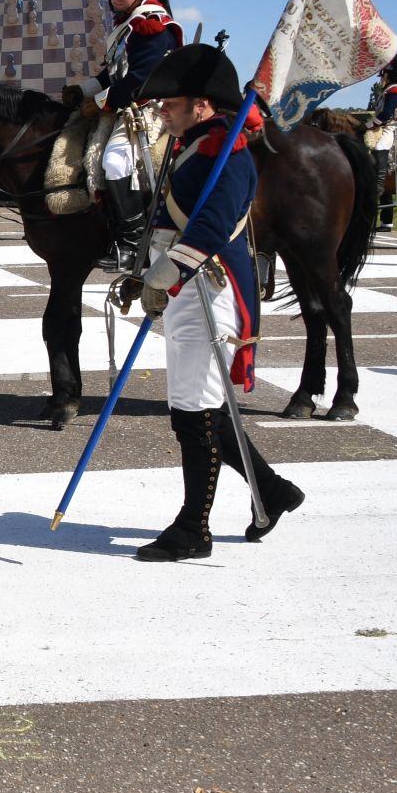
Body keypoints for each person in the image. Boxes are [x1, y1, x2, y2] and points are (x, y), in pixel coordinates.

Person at [132, 43, 304, 561]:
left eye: (172, 101)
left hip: (209, 285)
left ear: (202, 105)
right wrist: (148, 270)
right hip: (186, 283)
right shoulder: (194, 144)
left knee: (194, 409)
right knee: (199, 405)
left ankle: (193, 529)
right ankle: (270, 491)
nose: (163, 109)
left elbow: (214, 223)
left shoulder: (224, 152)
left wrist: (165, 274)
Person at [74, 0, 180, 272]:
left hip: (150, 107)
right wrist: (84, 90)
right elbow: (113, 72)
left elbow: (140, 80)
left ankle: (132, 244)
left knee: (115, 162)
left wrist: (99, 104)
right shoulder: (127, 25)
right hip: (126, 103)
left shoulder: (149, 24)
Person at [367, 55, 397, 228]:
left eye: (382, 74)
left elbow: (385, 114)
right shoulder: (389, 89)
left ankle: (378, 183)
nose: (381, 77)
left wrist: (368, 125)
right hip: (384, 125)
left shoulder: (395, 90)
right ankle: (387, 221)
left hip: (393, 127)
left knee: (379, 145)